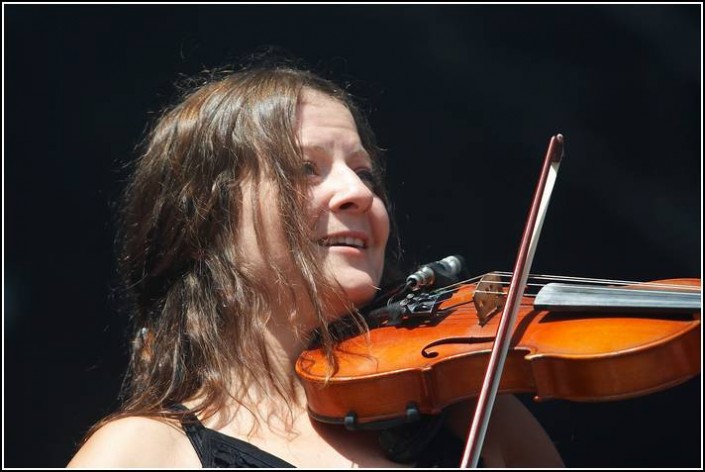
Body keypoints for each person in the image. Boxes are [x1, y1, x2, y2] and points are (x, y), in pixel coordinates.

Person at [68, 59, 564, 468]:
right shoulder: (143, 455)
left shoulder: (473, 420)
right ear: (204, 223)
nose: (356, 193)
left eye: (365, 173)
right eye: (304, 170)